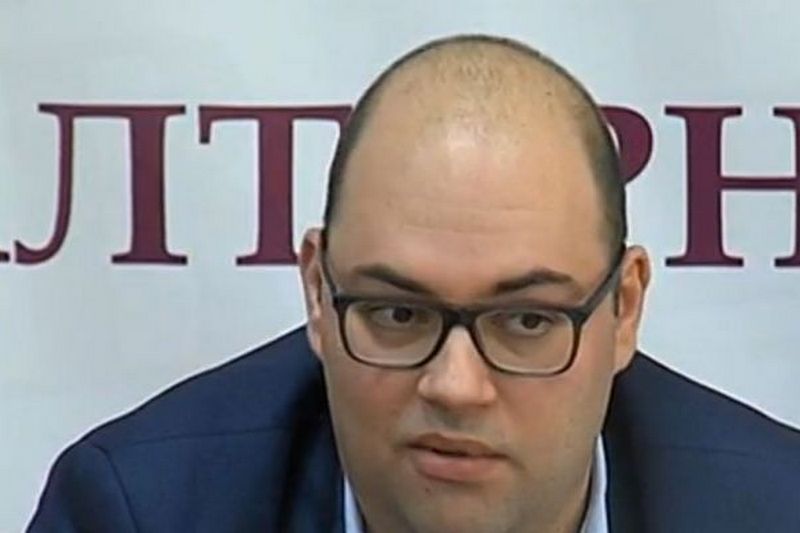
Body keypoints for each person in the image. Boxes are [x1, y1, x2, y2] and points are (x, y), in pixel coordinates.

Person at [28, 34, 800, 533]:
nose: (456, 386)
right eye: (398, 313)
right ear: (318, 293)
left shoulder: (775, 507)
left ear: (624, 308)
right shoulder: (139, 510)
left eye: (527, 320)